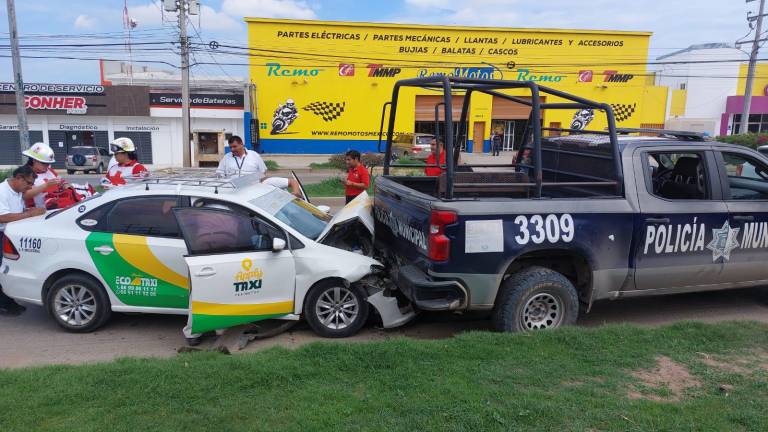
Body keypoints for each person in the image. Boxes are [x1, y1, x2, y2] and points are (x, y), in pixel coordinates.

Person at [0, 166, 47, 315]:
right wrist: (29, 215)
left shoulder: (17, 191)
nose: (30, 187)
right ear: (19, 178)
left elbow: (16, 213)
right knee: (3, 268)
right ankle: (4, 303)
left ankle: (7, 301)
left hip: (10, 233)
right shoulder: (2, 191)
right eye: (28, 183)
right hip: (2, 233)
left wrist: (30, 213)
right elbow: (3, 217)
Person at [20, 142, 66, 208]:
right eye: (44, 163)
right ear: (34, 160)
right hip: (35, 212)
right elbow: (24, 195)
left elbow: (61, 181)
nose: (47, 166)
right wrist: (46, 185)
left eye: (48, 163)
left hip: (54, 208)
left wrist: (65, 185)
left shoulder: (49, 170)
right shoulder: (23, 174)